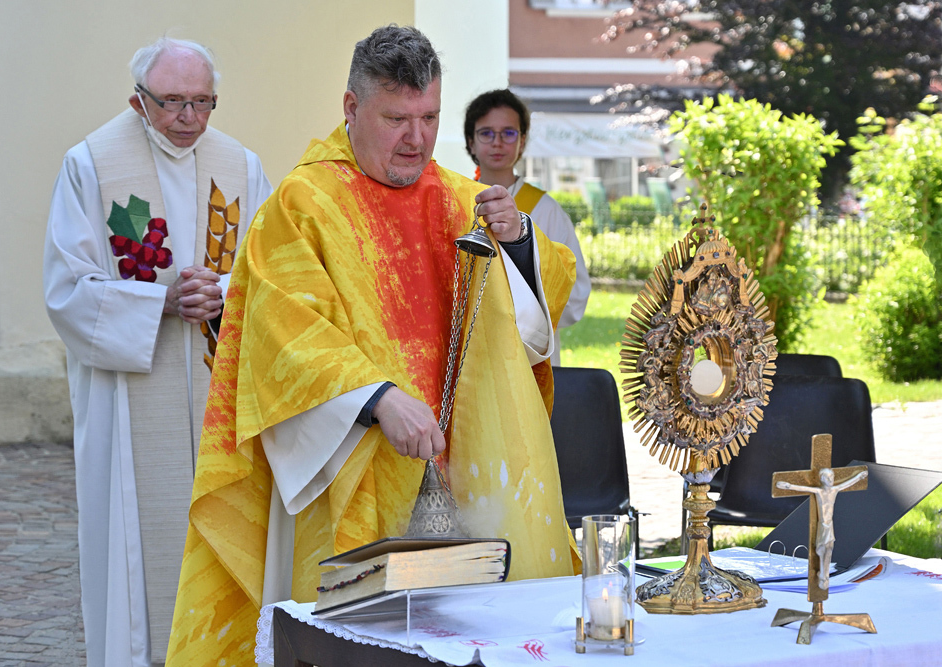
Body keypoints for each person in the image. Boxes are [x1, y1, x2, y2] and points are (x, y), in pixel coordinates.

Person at [164, 25, 580, 666]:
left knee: (473, 640)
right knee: (360, 647)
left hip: (464, 472)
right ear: (351, 108)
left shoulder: (460, 199)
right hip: (352, 466)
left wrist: (519, 242)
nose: (416, 139)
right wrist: (379, 398)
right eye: (396, 119)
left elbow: (534, 315)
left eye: (429, 118)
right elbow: (284, 335)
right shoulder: (303, 205)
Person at [43, 37, 273, 667]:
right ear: (138, 101)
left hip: (218, 392)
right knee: (139, 558)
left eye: (203, 102)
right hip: (130, 403)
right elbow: (67, 290)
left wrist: (222, 290)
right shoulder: (91, 165)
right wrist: (161, 303)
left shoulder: (241, 166)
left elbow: (272, 274)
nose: (188, 118)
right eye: (172, 102)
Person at [464, 89, 591, 365]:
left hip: (529, 356)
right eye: (486, 133)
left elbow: (575, 295)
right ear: (471, 142)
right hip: (470, 352)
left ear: (522, 142)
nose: (497, 142)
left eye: (508, 133)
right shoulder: (458, 202)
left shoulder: (547, 211)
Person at [776, 467, 868, 590]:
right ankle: (822, 572)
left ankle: (824, 574)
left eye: (832, 477)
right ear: (822, 479)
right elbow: (803, 488)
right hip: (822, 525)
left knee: (829, 548)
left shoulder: (834, 489)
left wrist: (859, 476)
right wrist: (788, 486)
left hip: (830, 525)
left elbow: (848, 483)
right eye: (827, 477)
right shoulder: (818, 491)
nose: (830, 479)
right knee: (821, 549)